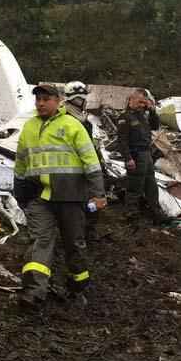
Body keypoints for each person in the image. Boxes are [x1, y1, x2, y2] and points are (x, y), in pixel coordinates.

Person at [14, 83, 106, 305]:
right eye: (38, 99)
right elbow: (21, 161)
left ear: (59, 101)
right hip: (40, 197)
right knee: (41, 241)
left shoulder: (73, 126)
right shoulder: (29, 127)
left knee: (74, 244)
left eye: (46, 99)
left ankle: (77, 286)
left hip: (71, 197)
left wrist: (98, 193)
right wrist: (19, 190)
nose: (41, 103)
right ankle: (35, 291)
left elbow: (91, 162)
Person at [64, 81, 104, 241]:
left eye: (82, 96)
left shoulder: (84, 118)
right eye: (76, 97)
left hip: (89, 164)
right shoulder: (65, 118)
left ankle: (90, 228)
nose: (80, 100)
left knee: (94, 197)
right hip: (73, 167)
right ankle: (77, 232)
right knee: (76, 201)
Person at [116, 88, 162, 225]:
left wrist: (152, 110)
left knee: (151, 186)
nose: (142, 105)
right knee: (134, 187)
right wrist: (128, 158)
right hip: (135, 155)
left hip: (146, 154)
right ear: (131, 100)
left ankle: (156, 213)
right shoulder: (125, 117)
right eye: (140, 102)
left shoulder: (142, 116)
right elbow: (122, 141)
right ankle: (131, 215)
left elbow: (155, 126)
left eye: (144, 102)